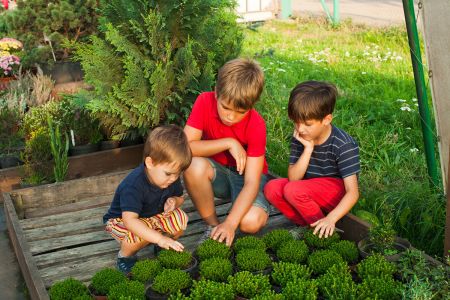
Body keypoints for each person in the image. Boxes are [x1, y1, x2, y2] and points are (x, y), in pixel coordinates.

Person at [183, 58, 269, 246]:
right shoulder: (204, 101)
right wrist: (228, 142)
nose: (231, 116)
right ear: (216, 92)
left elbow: (252, 182)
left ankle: (230, 222)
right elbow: (185, 147)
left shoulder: (257, 125)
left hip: (247, 179)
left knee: (250, 222)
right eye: (226, 107)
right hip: (217, 173)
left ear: (252, 105)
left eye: (240, 112)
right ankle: (213, 227)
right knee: (191, 165)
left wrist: (230, 222)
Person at [264, 81, 360, 238]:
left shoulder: (343, 144)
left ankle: (323, 231)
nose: (300, 129)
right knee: (272, 188)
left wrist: (331, 218)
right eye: (296, 122)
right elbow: (294, 178)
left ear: (327, 119)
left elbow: (353, 193)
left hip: (336, 195)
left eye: (308, 124)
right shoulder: (301, 136)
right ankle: (308, 226)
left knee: (293, 190)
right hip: (306, 190)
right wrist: (308, 149)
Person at [103, 125, 192, 274]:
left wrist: (175, 201)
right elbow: (130, 221)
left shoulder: (171, 177)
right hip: (122, 221)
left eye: (177, 174)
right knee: (137, 234)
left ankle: (160, 245)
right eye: (169, 174)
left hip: (151, 217)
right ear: (150, 163)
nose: (173, 179)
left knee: (180, 218)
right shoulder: (133, 185)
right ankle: (125, 257)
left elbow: (180, 197)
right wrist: (159, 238)